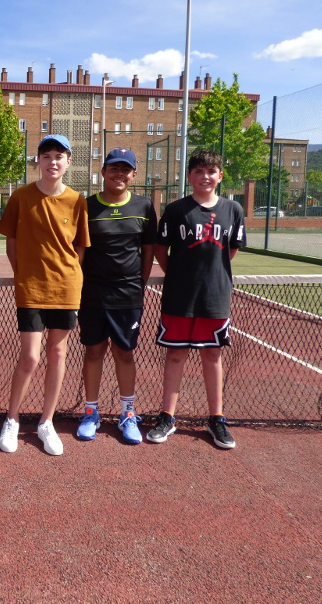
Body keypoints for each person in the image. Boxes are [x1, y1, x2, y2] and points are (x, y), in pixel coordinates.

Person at [146, 148, 246, 449]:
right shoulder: (176, 210)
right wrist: (176, 274)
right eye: (199, 171)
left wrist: (213, 277)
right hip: (179, 297)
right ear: (189, 176)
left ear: (220, 175)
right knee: (175, 355)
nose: (205, 176)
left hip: (215, 297)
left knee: (212, 357)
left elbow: (231, 250)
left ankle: (217, 418)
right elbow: (161, 250)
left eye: (211, 171)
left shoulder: (233, 210)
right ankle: (167, 416)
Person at [0, 134, 90, 455]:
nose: (52, 161)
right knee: (30, 357)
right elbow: (10, 240)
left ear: (68, 162)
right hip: (31, 289)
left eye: (59, 156)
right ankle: (12, 419)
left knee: (58, 354)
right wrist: (22, 272)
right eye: (46, 155)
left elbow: (80, 247)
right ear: (38, 161)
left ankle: (46, 422)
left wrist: (67, 275)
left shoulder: (78, 201)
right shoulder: (21, 197)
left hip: (66, 288)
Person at [76, 148, 157, 445]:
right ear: (103, 173)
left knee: (124, 353)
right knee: (94, 351)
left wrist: (139, 284)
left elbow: (148, 251)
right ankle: (90, 413)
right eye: (113, 168)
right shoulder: (86, 206)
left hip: (128, 295)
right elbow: (79, 252)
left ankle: (128, 414)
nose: (119, 174)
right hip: (92, 294)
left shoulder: (144, 206)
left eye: (125, 169)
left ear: (134, 174)